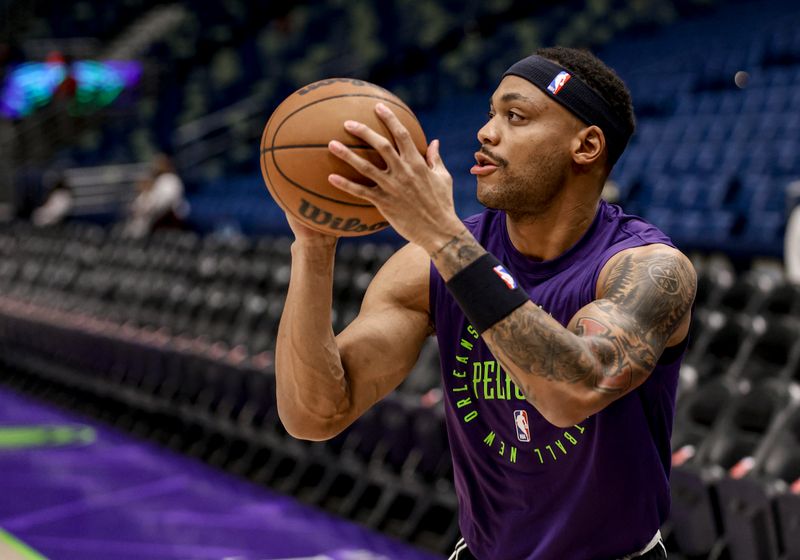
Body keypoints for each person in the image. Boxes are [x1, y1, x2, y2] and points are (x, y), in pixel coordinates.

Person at [276, 46, 696, 560]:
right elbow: (316, 415)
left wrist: (442, 235)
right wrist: (314, 248)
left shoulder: (647, 268)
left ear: (585, 146)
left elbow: (573, 390)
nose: (486, 132)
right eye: (490, 113)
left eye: (515, 116)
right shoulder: (426, 264)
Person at [122, 153, 187, 238]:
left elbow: (165, 203)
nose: (157, 166)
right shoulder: (156, 181)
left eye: (160, 164)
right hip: (152, 223)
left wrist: (149, 208)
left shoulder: (170, 179)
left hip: (167, 221)